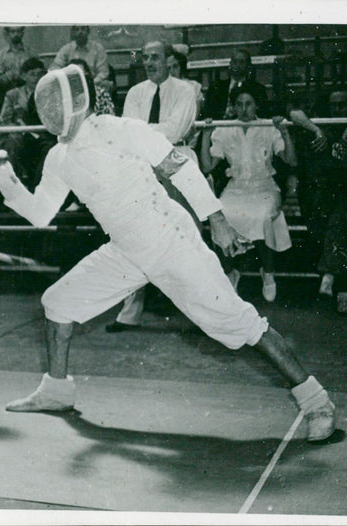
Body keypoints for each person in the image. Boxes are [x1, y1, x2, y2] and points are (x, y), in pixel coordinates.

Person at [0, 65, 334, 442]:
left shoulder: (121, 130)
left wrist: (216, 218)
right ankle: (56, 391)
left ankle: (317, 402)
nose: (50, 113)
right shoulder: (58, 157)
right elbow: (40, 213)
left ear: (77, 102)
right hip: (126, 250)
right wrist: (6, 177)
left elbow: (178, 166)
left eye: (55, 104)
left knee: (237, 322)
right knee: (58, 303)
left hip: (169, 238)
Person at [106, 40, 202, 332]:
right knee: (135, 236)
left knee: (186, 239)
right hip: (142, 167)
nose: (149, 63)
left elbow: (175, 131)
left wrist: (141, 132)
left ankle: (200, 314)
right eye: (145, 58)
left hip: (177, 161)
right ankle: (130, 312)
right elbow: (127, 134)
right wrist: (142, 135)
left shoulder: (186, 90)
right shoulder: (135, 93)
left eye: (155, 57)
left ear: (169, 61)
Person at [200, 86, 297, 302]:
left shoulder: (268, 128)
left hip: (265, 188)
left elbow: (291, 160)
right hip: (236, 189)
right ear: (233, 107)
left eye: (249, 104)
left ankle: (268, 274)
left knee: (261, 216)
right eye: (239, 104)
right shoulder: (224, 129)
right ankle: (230, 272)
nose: (244, 109)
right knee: (219, 216)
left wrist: (284, 132)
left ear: (257, 105)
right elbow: (207, 167)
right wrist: (206, 136)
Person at [289, 89, 347, 315]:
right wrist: (317, 131)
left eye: (342, 104)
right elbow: (294, 113)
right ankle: (337, 281)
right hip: (322, 193)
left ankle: (335, 281)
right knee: (327, 224)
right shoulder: (325, 125)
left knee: (337, 222)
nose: (338, 109)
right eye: (334, 104)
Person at [0, 57, 46, 210]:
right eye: (32, 74)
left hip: (40, 138)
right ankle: (8, 194)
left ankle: (37, 195)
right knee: (13, 143)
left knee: (50, 149)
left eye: (39, 74)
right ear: (23, 76)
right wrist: (19, 127)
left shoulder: (48, 94)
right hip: (19, 137)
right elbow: (3, 121)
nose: (36, 79)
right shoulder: (13, 95)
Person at [203, 49, 268, 120]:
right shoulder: (216, 87)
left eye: (242, 62)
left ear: (249, 66)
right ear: (230, 64)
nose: (238, 65)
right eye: (235, 62)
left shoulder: (259, 89)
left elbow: (262, 115)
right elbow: (207, 113)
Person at [0, 26, 32, 109]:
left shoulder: (30, 53)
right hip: (7, 90)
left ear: (22, 33)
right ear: (8, 34)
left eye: (18, 31)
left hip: (26, 91)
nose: (16, 34)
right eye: (12, 32)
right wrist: (9, 76)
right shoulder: (1, 55)